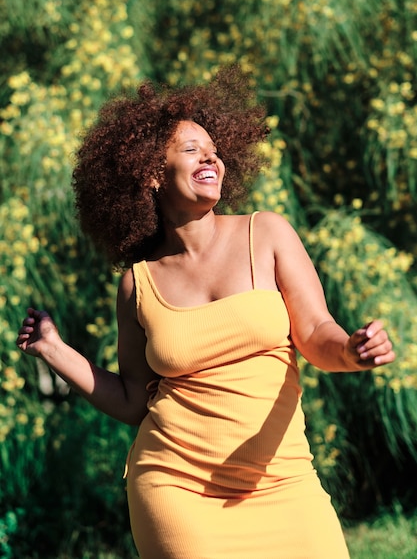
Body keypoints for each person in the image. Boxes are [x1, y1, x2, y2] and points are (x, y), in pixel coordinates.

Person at [16, 66, 395, 559]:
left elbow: (317, 332)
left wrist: (351, 350)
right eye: (192, 149)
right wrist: (53, 349)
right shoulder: (139, 282)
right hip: (177, 489)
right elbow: (134, 400)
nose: (210, 156)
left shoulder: (268, 234)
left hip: (285, 484)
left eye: (214, 148)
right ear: (152, 172)